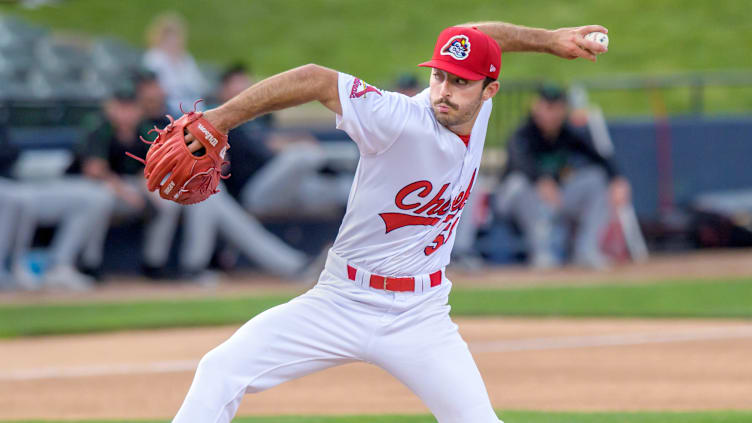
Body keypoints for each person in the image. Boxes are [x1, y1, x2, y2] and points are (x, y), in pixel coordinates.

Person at [171, 22, 607, 423]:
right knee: (220, 369)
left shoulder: (478, 113)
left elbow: (479, 34)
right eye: (439, 75)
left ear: (490, 91)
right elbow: (314, 78)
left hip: (421, 315)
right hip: (340, 301)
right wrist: (217, 120)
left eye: (460, 81)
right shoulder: (397, 119)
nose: (444, 90)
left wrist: (548, 42)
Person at [494, 83, 631, 268]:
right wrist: (541, 180)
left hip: (554, 198)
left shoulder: (566, 133)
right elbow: (520, 163)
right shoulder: (523, 134)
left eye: (557, 108)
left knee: (597, 179)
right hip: (515, 200)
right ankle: (542, 254)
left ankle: (587, 251)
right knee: (522, 184)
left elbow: (600, 157)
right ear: (536, 107)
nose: (552, 114)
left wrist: (617, 179)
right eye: (547, 107)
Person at [217, 63, 353, 219]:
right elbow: (261, 147)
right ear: (223, 89)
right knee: (305, 154)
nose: (243, 87)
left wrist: (285, 143)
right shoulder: (222, 122)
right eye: (237, 83)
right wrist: (284, 145)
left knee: (344, 189)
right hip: (254, 191)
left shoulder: (259, 118)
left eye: (245, 82)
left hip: (282, 182)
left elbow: (271, 140)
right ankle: (330, 166)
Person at [142, 12, 208, 116]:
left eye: (175, 36)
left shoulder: (186, 58)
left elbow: (199, 85)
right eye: (168, 37)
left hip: (195, 107)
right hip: (170, 108)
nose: (173, 41)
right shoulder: (154, 58)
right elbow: (157, 89)